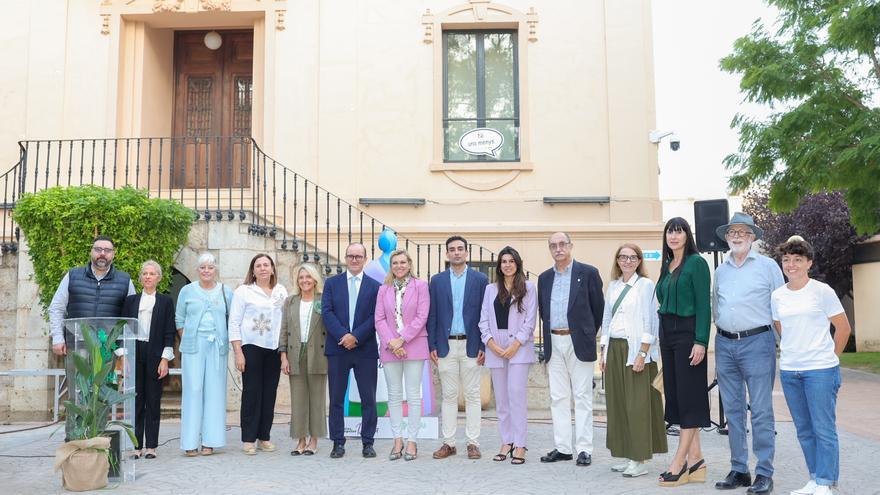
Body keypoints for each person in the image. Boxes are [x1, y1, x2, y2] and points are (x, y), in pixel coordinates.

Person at [772, 236, 851, 495]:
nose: (791, 265)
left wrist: (831, 359)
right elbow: (782, 329)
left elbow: (843, 328)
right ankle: (814, 479)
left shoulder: (822, 291)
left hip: (820, 371)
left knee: (823, 428)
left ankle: (826, 483)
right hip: (790, 370)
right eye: (786, 260)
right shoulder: (777, 296)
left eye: (797, 260)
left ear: (809, 263)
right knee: (804, 430)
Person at [712, 213, 784, 494]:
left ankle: (764, 472)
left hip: (758, 343)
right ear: (726, 237)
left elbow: (780, 307)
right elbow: (716, 306)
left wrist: (781, 343)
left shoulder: (768, 266)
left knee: (761, 410)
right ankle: (739, 469)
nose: (737, 236)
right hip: (725, 344)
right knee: (733, 410)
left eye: (743, 232)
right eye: (732, 232)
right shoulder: (721, 270)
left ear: (752, 237)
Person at [48, 235, 136, 438]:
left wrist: (122, 351)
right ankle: (74, 439)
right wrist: (58, 338)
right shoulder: (73, 276)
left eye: (107, 250)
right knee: (76, 394)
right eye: (98, 249)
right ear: (91, 252)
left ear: (113, 254)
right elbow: (56, 307)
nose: (102, 254)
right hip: (77, 346)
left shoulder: (125, 280)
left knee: (102, 395)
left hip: (107, 351)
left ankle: (97, 438)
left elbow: (129, 318)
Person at [599, 243, 667, 478]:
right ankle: (627, 454)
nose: (627, 261)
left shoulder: (645, 285)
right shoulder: (613, 286)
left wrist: (642, 353)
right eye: (623, 257)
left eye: (632, 257)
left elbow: (651, 321)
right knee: (618, 404)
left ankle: (639, 459)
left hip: (635, 351)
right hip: (614, 349)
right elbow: (606, 320)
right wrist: (603, 351)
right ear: (617, 261)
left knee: (637, 406)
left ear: (639, 261)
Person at [538, 232, 604, 467]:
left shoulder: (588, 273)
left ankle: (584, 449)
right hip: (553, 341)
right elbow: (543, 312)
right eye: (553, 245)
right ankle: (563, 448)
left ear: (570, 246)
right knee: (558, 397)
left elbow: (598, 310)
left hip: (579, 342)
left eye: (562, 244)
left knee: (582, 396)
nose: (558, 249)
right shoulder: (544, 278)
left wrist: (586, 333)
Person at [655, 217, 711, 487]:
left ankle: (679, 463)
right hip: (667, 333)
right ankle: (697, 459)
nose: (674, 236)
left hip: (688, 334)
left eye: (679, 232)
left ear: (688, 236)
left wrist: (701, 341)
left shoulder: (696, 263)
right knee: (677, 397)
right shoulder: (667, 265)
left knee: (689, 398)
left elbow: (703, 305)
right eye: (670, 232)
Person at [427, 235, 489, 460]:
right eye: (452, 249)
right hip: (446, 345)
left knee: (473, 395)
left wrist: (483, 344)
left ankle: (473, 443)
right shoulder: (437, 280)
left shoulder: (480, 279)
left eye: (460, 249)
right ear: (447, 253)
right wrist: (432, 344)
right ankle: (449, 443)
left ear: (466, 252)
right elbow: (432, 314)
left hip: (471, 344)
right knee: (449, 396)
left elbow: (485, 314)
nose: (456, 252)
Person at [322, 242, 382, 459]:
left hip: (364, 349)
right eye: (350, 256)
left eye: (358, 256)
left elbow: (376, 316)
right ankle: (338, 443)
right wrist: (343, 336)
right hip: (338, 349)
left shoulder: (375, 286)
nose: (354, 260)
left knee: (368, 398)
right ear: (345, 258)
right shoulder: (332, 283)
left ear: (365, 259)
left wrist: (356, 336)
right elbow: (327, 312)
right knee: (336, 399)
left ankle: (368, 442)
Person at [479, 246, 537, 465]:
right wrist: (490, 343)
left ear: (517, 264)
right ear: (499, 266)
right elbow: (483, 319)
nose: (507, 265)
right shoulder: (490, 289)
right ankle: (507, 441)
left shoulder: (529, 288)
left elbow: (530, 321)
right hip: (496, 347)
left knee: (516, 396)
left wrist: (516, 344)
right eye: (504, 261)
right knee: (502, 400)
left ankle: (520, 444)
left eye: (511, 261)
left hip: (519, 347)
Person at [229, 253, 288, 455]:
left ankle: (264, 437)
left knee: (269, 393)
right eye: (258, 266)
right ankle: (248, 439)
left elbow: (285, 322)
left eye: (266, 265)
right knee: (252, 393)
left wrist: (284, 352)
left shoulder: (281, 291)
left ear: (272, 269)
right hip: (251, 347)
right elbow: (234, 322)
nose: (263, 268)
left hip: (274, 348)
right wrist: (238, 352)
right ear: (253, 271)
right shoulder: (244, 291)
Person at [176, 252, 234, 456]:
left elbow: (232, 320)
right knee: (193, 390)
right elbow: (179, 319)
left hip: (217, 346)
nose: (206, 271)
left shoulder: (226, 292)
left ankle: (210, 441)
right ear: (197, 270)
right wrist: (187, 337)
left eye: (210, 267)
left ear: (216, 269)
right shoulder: (186, 291)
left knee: (215, 392)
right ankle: (190, 442)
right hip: (193, 345)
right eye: (202, 267)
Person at [375, 249, 430, 461]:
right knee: (394, 395)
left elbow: (422, 316)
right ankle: (397, 439)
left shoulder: (421, 286)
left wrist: (402, 339)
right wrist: (392, 342)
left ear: (409, 264)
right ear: (391, 266)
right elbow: (379, 319)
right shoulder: (384, 289)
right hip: (390, 348)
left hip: (414, 345)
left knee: (413, 396)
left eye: (402, 262)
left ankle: (412, 440)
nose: (399, 266)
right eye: (395, 263)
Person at [121, 260, 176, 459]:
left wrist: (165, 359)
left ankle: (151, 446)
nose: (148, 277)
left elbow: (169, 332)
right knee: (136, 401)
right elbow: (122, 329)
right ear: (140, 278)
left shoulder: (165, 301)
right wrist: (123, 356)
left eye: (152, 273)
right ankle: (136, 447)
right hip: (134, 353)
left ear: (158, 278)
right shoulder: (130, 301)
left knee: (153, 401)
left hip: (155, 354)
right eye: (145, 273)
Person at [280, 263, 328, 456]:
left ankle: (314, 440)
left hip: (318, 353)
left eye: (308, 277)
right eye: (301, 277)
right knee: (298, 399)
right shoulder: (290, 301)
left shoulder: (324, 300)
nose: (304, 281)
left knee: (317, 398)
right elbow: (284, 329)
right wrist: (283, 356)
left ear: (315, 280)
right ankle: (300, 439)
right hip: (295, 353)